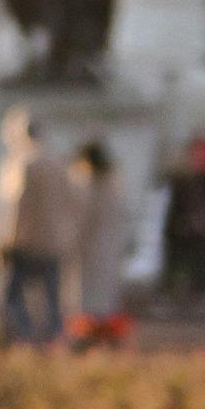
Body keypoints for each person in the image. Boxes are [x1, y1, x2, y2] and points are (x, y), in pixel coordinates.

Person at [0, 109, 69, 350]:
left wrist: (7, 240)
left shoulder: (22, 164)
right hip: (52, 240)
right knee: (51, 297)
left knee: (10, 295)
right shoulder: (56, 163)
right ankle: (52, 338)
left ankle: (21, 336)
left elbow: (16, 205)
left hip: (25, 242)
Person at [65, 136, 134, 346]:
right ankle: (104, 332)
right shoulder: (113, 183)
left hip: (90, 246)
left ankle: (88, 333)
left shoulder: (87, 184)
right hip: (107, 246)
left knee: (87, 295)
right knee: (104, 294)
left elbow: (80, 218)